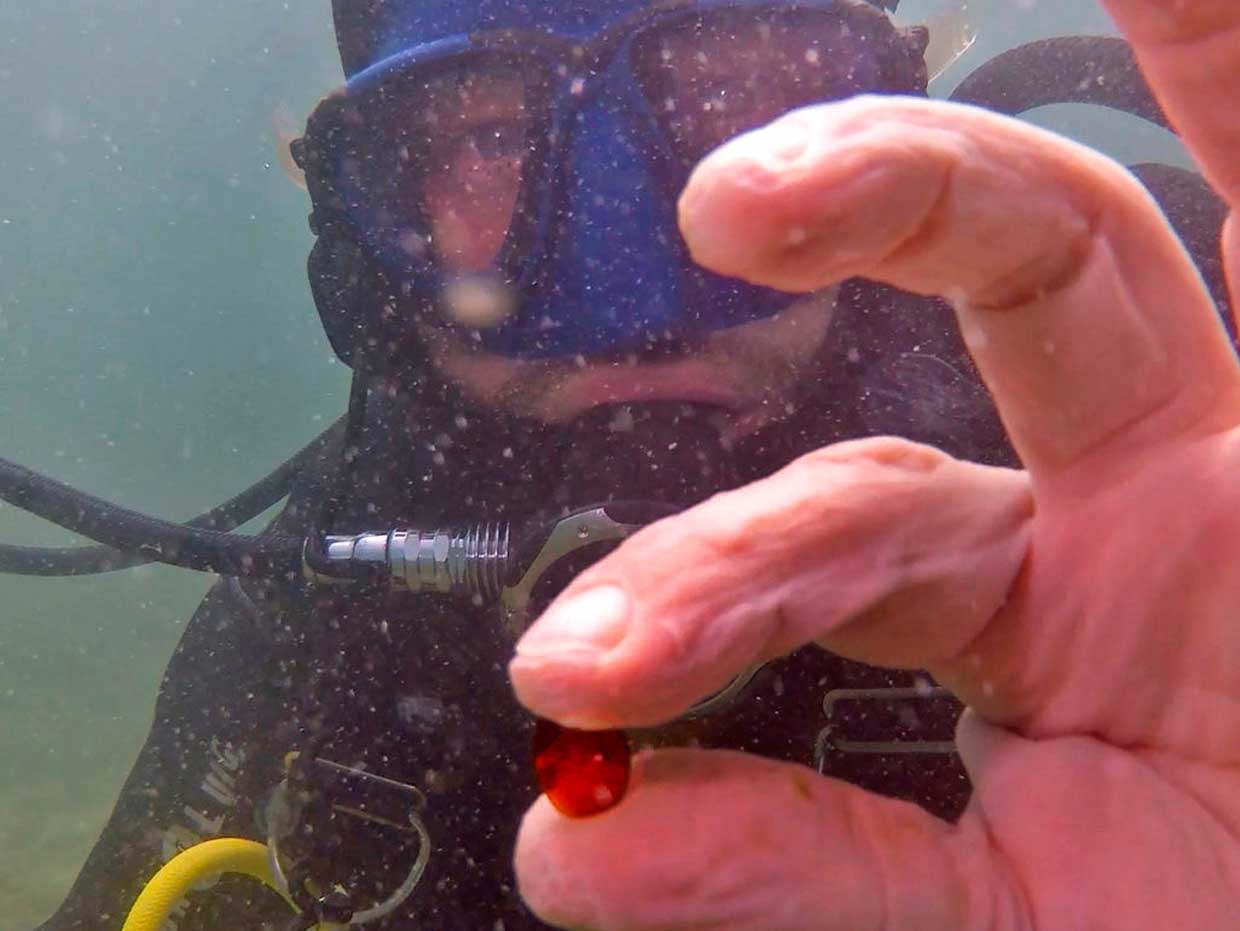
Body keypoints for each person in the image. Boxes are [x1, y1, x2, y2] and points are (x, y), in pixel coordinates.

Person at [28, 0, 1236, 928]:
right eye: (489, 139)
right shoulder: (329, 612)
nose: (630, 289)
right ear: (363, 240)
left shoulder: (1162, 423)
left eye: (733, 102)